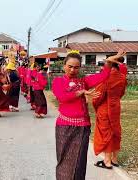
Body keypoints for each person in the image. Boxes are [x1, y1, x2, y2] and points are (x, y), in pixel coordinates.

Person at [51, 50, 125, 180]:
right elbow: (62, 97)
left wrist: (108, 62)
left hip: (83, 127)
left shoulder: (83, 81)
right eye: (70, 66)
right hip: (64, 126)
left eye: (76, 67)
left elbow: (102, 76)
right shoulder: (58, 81)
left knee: (79, 161)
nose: (73, 70)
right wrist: (81, 93)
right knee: (64, 159)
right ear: (64, 66)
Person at [93, 60, 127, 169]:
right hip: (115, 107)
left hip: (105, 108)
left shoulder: (106, 77)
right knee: (116, 132)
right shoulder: (122, 77)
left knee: (106, 134)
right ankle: (114, 159)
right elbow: (121, 93)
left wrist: (96, 105)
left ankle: (107, 161)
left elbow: (98, 95)